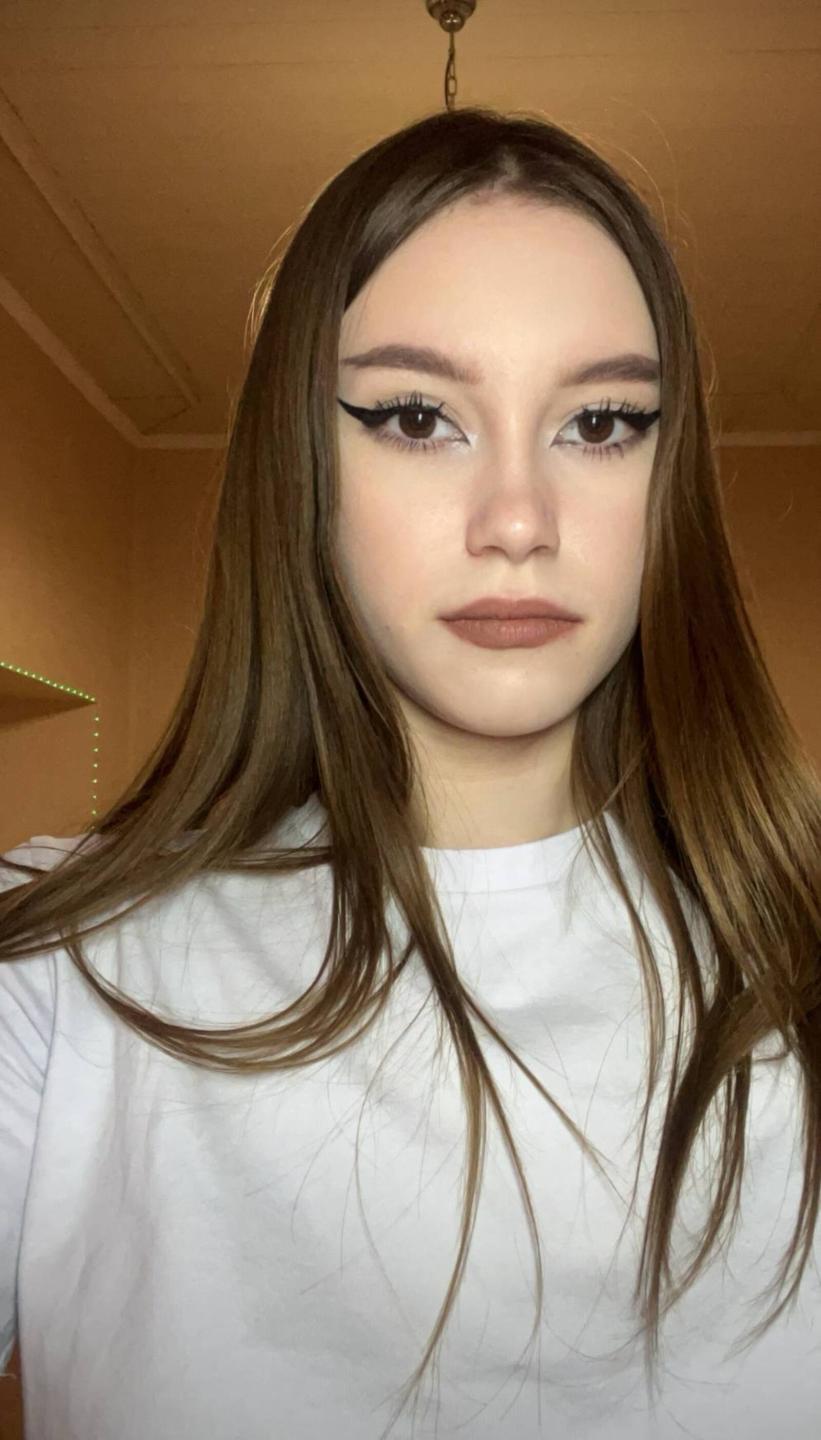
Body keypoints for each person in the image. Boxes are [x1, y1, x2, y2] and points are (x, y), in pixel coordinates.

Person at [1, 106, 819, 1440]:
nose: (519, 521)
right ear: (302, 468)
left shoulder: (798, 939)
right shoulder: (56, 968)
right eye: (417, 416)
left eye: (602, 421)